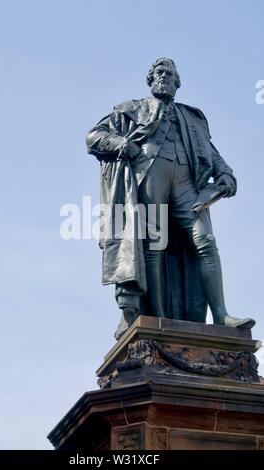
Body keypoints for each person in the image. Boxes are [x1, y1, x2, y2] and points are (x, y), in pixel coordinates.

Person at [86, 58, 255, 340]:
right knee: (155, 245)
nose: (164, 77)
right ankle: (158, 318)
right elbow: (94, 137)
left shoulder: (192, 119)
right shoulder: (130, 110)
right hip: (150, 177)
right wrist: (122, 144)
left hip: (187, 186)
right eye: (159, 73)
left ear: (178, 83)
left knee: (205, 242)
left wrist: (225, 174)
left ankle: (222, 315)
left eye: (170, 74)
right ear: (150, 81)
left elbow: (211, 155)